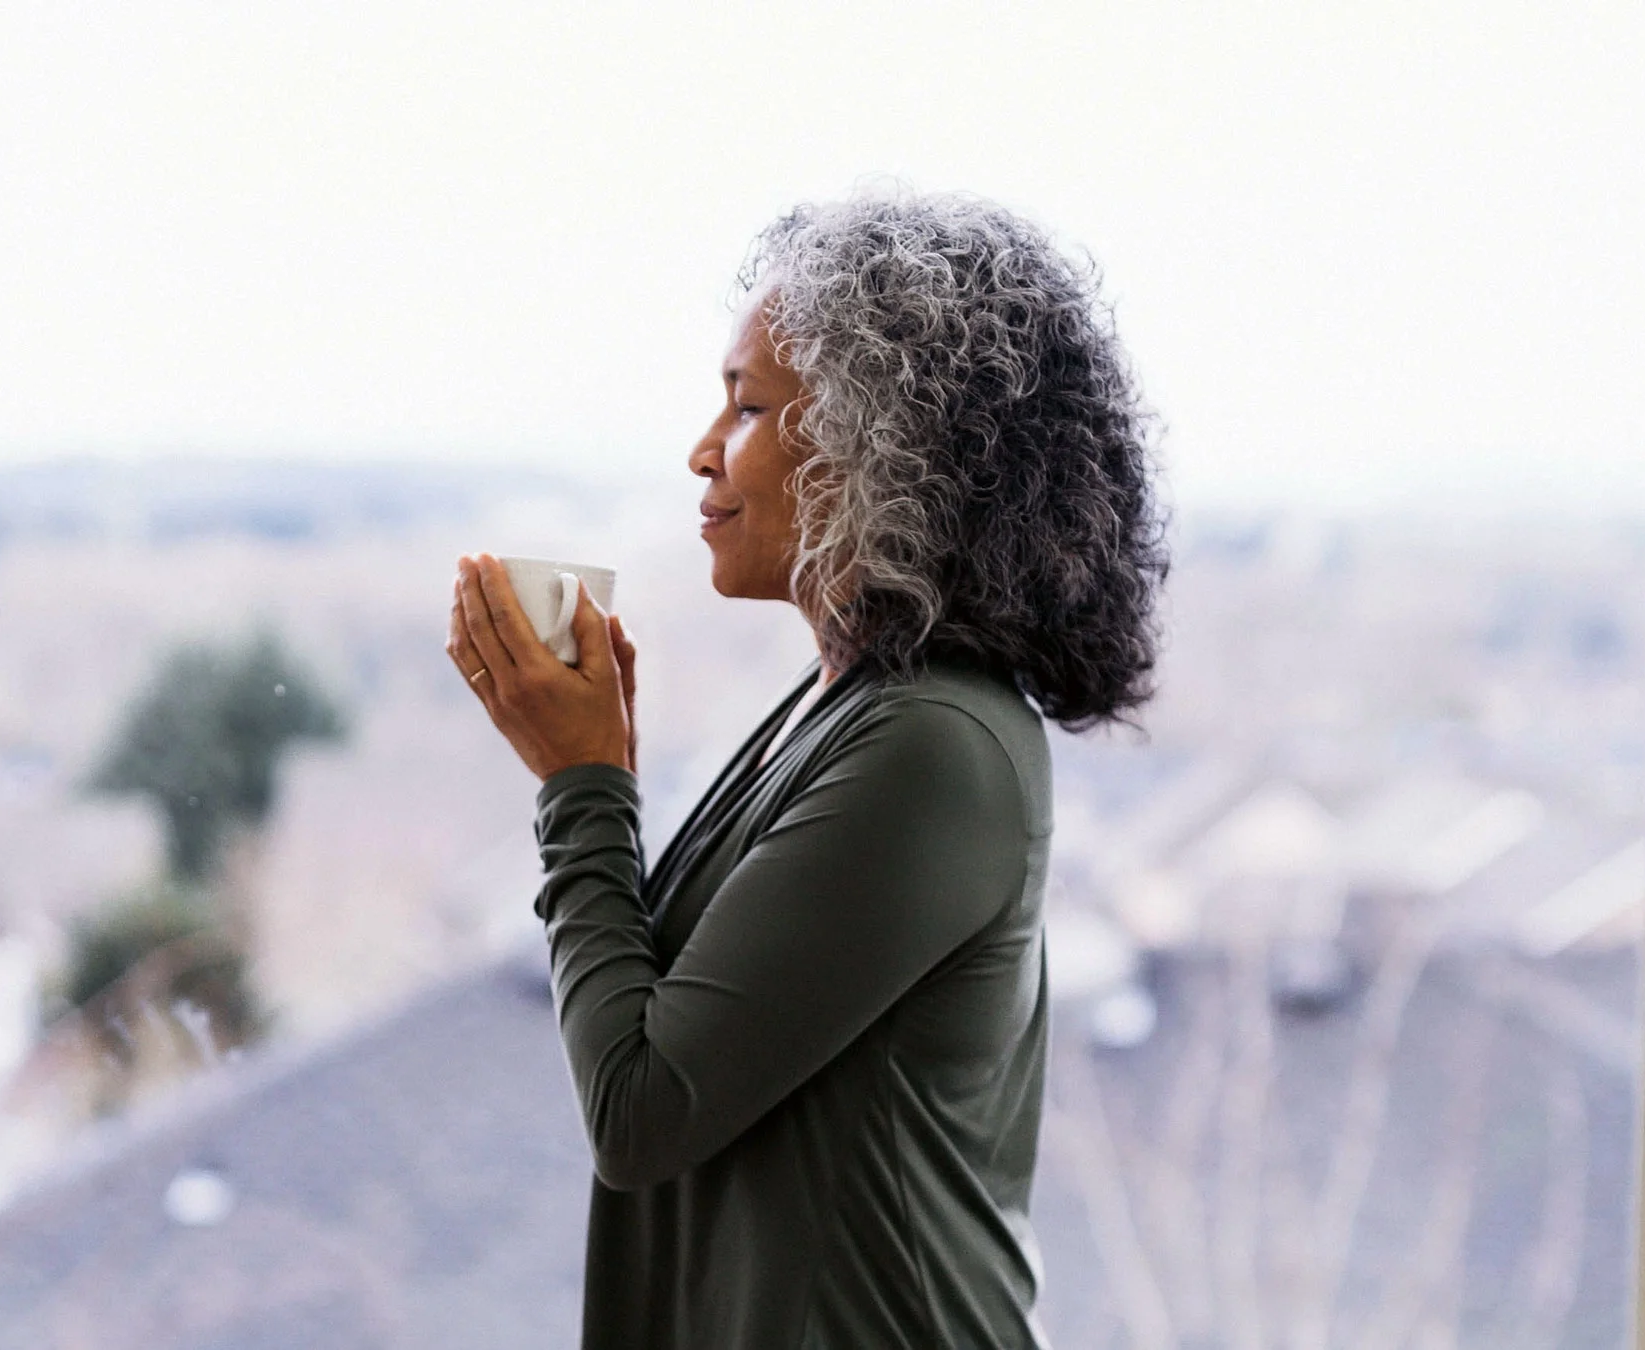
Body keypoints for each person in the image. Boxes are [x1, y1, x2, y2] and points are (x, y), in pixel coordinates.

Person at [445, 189, 1170, 1349]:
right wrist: (592, 763)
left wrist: (581, 782)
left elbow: (640, 1112)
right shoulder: (842, 704)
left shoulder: (937, 746)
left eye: (748, 407)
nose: (702, 450)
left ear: (882, 449)